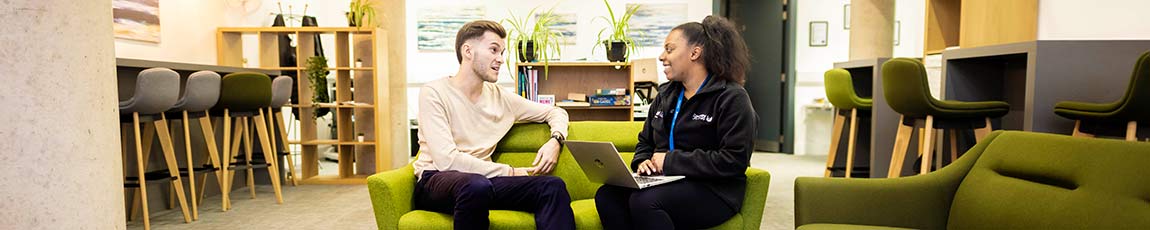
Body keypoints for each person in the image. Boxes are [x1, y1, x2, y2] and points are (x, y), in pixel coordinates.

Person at [594, 15, 758, 229]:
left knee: (645, 202)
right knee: (607, 195)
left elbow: (733, 160)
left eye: (669, 49)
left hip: (714, 190)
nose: (662, 56)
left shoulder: (732, 97)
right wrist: (642, 161)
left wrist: (670, 161)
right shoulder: (665, 95)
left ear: (695, 53)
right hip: (666, 181)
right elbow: (645, 142)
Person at [413, 20, 574, 230]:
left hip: (484, 182)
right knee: (475, 186)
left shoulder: (501, 98)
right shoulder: (434, 92)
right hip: (436, 179)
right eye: (494, 50)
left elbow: (556, 112)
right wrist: (511, 172)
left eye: (502, 53)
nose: (500, 60)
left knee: (552, 186)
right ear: (468, 51)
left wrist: (556, 140)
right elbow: (447, 161)